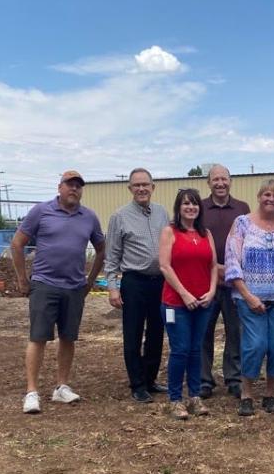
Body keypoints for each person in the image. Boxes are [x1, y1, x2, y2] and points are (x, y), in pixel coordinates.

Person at [12, 170, 106, 414]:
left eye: (78, 186)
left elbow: (101, 250)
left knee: (68, 337)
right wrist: (23, 279)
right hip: (44, 284)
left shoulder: (89, 218)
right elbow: (17, 244)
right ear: (59, 187)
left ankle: (61, 387)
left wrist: (90, 281)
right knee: (38, 337)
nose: (74, 189)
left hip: (75, 287)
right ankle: (32, 392)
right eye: (69, 184)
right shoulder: (41, 212)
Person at [224, 179, 274, 416]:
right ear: (259, 197)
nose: (271, 199)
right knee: (255, 345)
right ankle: (246, 393)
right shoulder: (242, 224)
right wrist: (247, 295)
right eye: (266, 195)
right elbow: (232, 260)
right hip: (251, 300)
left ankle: (270, 393)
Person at [105, 168, 170, 403]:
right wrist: (112, 287)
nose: (141, 189)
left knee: (156, 332)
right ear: (130, 188)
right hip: (134, 282)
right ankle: (137, 384)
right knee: (132, 333)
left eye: (146, 184)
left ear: (153, 187)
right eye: (137, 185)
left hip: (159, 283)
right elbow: (111, 256)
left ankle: (150, 379)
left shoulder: (163, 213)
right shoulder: (119, 217)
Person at [159, 189, 218, 420]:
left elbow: (213, 265)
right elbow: (165, 266)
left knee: (196, 350)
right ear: (179, 207)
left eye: (194, 204)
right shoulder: (170, 232)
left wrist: (212, 291)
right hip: (176, 304)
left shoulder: (206, 234)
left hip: (203, 302)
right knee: (180, 350)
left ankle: (194, 397)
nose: (191, 208)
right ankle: (175, 399)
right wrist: (184, 294)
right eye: (186, 204)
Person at [200, 164, 250, 400]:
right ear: (208, 183)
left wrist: (230, 270)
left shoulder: (242, 209)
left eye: (224, 179)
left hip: (234, 283)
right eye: (215, 179)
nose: (220, 183)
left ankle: (233, 378)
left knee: (235, 332)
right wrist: (214, 268)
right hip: (204, 282)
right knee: (203, 332)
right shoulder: (198, 207)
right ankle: (203, 380)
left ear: (231, 181)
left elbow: (248, 243)